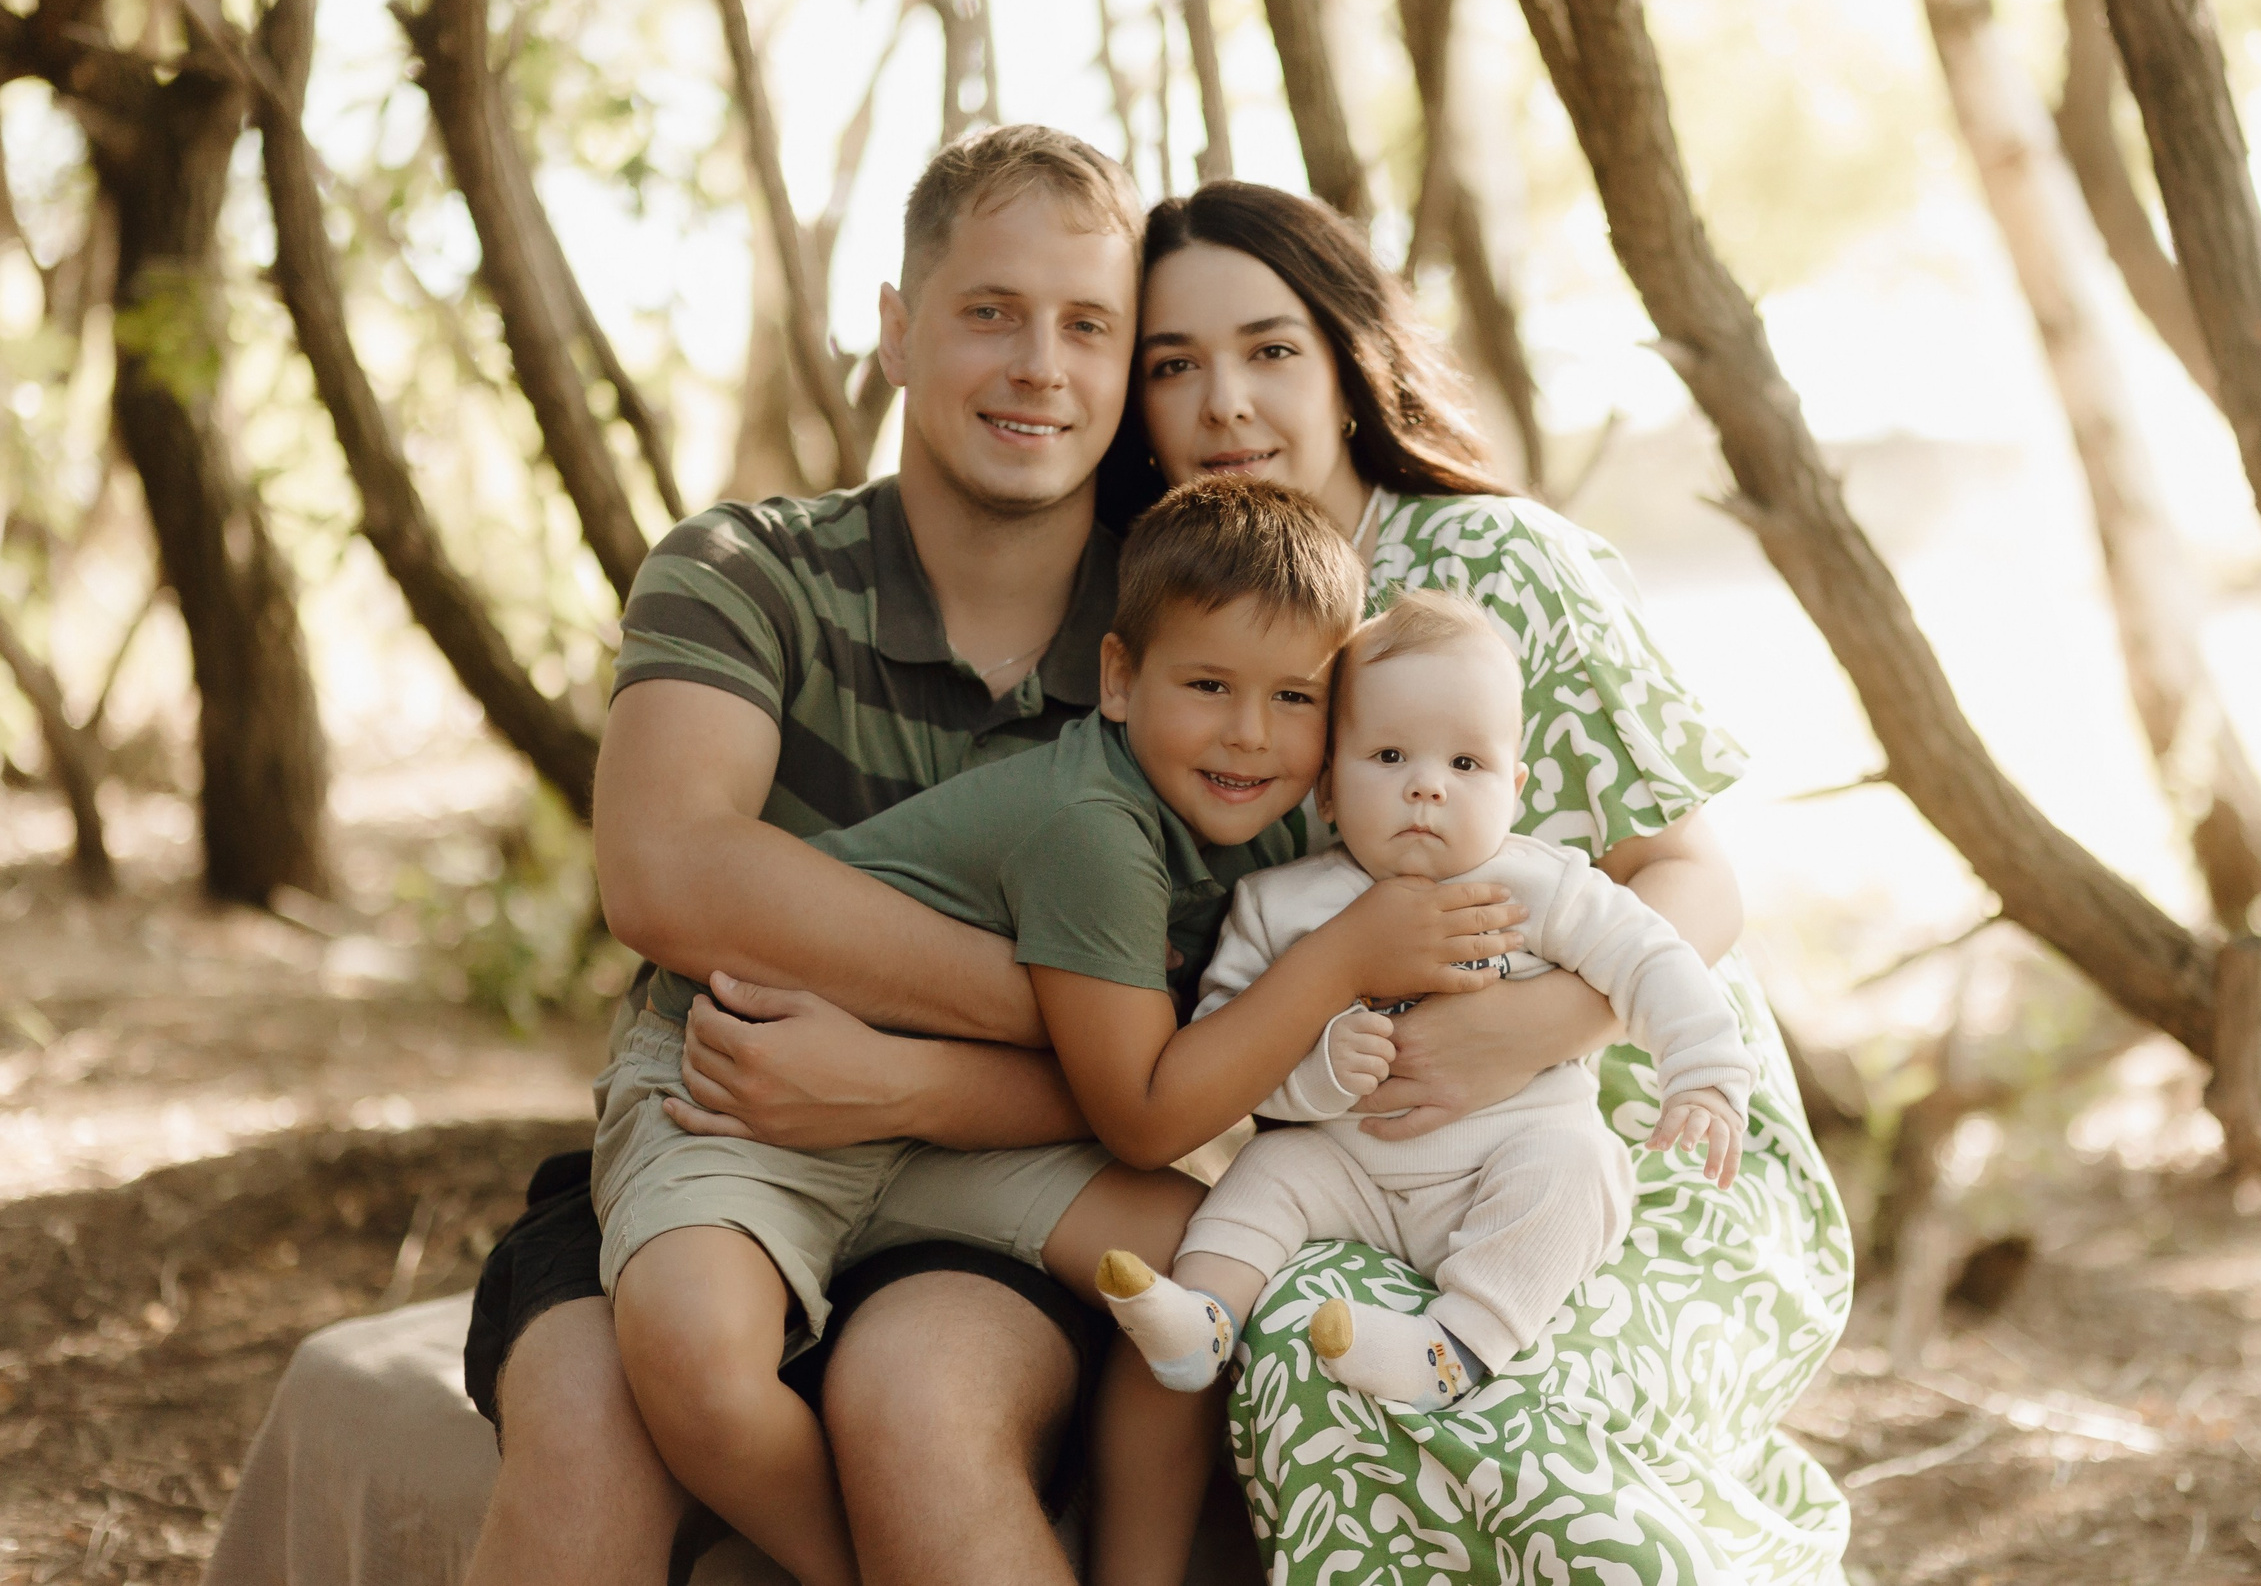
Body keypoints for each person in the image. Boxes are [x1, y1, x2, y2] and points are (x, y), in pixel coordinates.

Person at [1126, 180, 1857, 1581]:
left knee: (1516, 1406)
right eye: (1175, 363)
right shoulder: (1181, 615)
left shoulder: (1507, 564)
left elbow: (1689, 869)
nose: (1226, 399)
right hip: (1360, 1145)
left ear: (1346, 363)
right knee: (1306, 1353)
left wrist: (1549, 1021)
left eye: (1271, 347)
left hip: (1626, 1136)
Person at [600, 479, 1526, 1586]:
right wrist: (1345, 959)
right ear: (1120, 680)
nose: (1249, 731)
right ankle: (832, 1568)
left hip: (963, 1116)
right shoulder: (1093, 828)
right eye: (1207, 685)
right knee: (693, 1351)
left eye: (1295, 698)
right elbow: (1141, 1117)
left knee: (1200, 1275)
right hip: (750, 1073)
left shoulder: (1279, 835)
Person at [460, 124, 1158, 1586]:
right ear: (895, 330)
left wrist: (906, 1072)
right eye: (989, 312)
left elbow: (1188, 1054)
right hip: (728, 1122)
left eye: (1088, 324)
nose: (1040, 364)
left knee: (920, 1404)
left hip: (1000, 1170)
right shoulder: (744, 571)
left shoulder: (1181, 648)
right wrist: (1066, 1000)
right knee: (590, 1417)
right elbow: (669, 875)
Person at [1099, 586, 1753, 1434]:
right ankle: (1205, 1316)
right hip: (1350, 1169)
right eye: (1391, 756)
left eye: (1465, 765)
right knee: (1264, 1178)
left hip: (1506, 1157)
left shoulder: (1542, 885)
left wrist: (1704, 1072)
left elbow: (1653, 958)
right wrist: (1320, 1066)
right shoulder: (1279, 904)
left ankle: (1452, 1346)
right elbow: (1229, 1052)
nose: (1427, 790)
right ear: (1328, 786)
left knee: (1582, 1169)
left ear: (1513, 788)